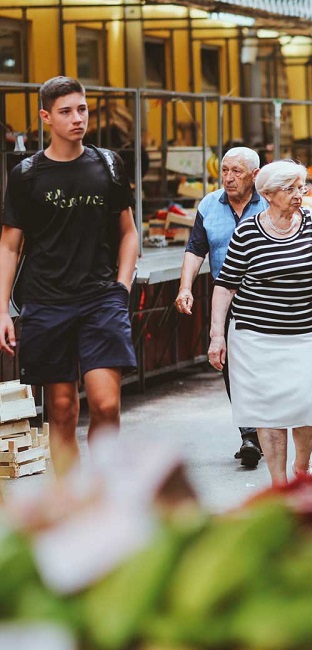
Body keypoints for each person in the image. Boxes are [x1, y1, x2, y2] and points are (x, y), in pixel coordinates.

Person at [0, 76, 139, 477]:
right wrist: (3, 309)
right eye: (66, 112)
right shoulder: (27, 175)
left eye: (82, 109)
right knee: (61, 409)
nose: (77, 118)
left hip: (101, 299)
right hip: (46, 301)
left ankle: (105, 489)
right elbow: (9, 246)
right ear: (46, 117)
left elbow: (129, 233)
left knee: (106, 404)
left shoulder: (108, 165)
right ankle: (71, 500)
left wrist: (122, 287)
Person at [207, 160, 312, 487]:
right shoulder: (247, 232)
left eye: (301, 187)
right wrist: (216, 335)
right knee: (268, 412)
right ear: (268, 194)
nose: (299, 194)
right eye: (290, 188)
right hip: (255, 338)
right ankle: (280, 484)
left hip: (310, 333)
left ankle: (302, 464)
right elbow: (226, 285)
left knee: (311, 404)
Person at [175, 147, 269, 467]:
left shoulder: (270, 202)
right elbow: (195, 249)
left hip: (267, 298)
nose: (228, 178)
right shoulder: (208, 205)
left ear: (255, 175)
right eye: (225, 170)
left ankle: (267, 429)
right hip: (225, 297)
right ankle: (250, 435)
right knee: (231, 367)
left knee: (263, 366)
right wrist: (185, 287)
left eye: (236, 172)